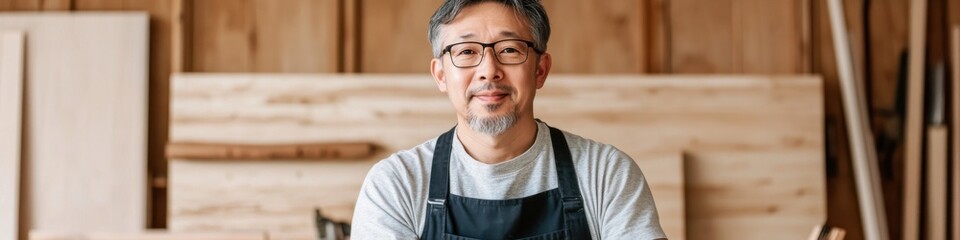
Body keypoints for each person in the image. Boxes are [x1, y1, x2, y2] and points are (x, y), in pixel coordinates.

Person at [351, 0, 666, 239]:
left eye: (510, 49)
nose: (489, 70)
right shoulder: (397, 184)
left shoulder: (605, 173)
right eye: (466, 51)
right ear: (440, 75)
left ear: (540, 70)